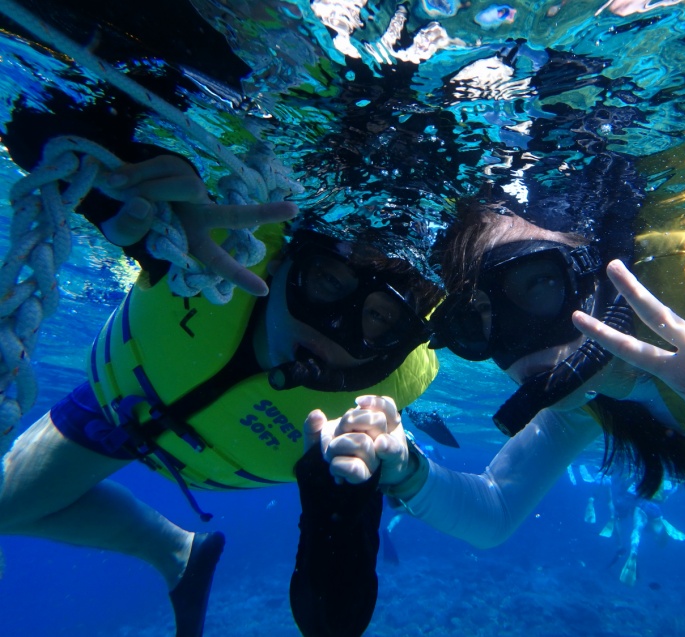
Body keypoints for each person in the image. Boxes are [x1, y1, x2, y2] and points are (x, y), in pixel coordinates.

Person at [0, 86, 442, 637]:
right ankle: (178, 552)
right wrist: (125, 178)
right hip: (117, 404)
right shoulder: (215, 243)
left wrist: (345, 503)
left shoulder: (372, 405)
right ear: (283, 263)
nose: (332, 330)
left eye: (378, 321)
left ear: (398, 344)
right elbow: (29, 119)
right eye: (326, 283)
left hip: (180, 432)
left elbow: (332, 622)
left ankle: (179, 552)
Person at [308, 129, 685, 577]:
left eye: (537, 285)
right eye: (476, 321)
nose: (519, 342)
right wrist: (406, 471)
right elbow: (494, 511)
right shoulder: (594, 400)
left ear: (597, 272)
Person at [581, 468, 685, 585]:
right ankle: (656, 531)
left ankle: (630, 548)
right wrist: (675, 487)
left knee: (627, 523)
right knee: (647, 522)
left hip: (637, 501)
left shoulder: (628, 479)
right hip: (652, 505)